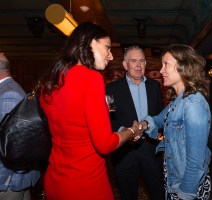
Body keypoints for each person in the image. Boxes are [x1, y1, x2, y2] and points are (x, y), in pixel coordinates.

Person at [38, 22, 143, 200]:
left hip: (55, 182)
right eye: (107, 48)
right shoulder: (91, 78)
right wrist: (133, 130)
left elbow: (70, 122)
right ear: (91, 42)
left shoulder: (51, 80)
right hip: (86, 183)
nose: (110, 56)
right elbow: (105, 144)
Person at [139, 44, 212, 200]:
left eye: (166, 64)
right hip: (175, 178)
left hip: (187, 186)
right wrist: (143, 125)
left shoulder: (193, 104)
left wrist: (186, 193)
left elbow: (195, 161)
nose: (161, 71)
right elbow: (159, 119)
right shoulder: (178, 100)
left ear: (183, 66)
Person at [106, 45, 164, 200]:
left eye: (142, 61)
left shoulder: (154, 86)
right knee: (128, 195)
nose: (139, 65)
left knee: (158, 193)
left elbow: (159, 116)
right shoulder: (111, 89)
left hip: (150, 149)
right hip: (124, 152)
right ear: (125, 65)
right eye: (134, 61)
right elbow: (108, 119)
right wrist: (125, 131)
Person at [0, 53, 40, 200]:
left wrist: (6, 180)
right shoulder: (8, 89)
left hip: (8, 180)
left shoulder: (8, 94)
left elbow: (11, 146)